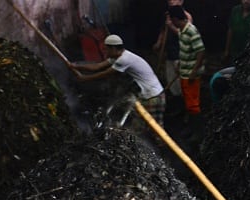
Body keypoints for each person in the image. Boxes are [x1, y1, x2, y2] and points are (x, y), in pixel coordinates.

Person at [70, 34, 166, 127]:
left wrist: (84, 78)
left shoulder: (124, 59)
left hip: (153, 97)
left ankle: (157, 143)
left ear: (113, 49)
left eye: (106, 49)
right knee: (140, 127)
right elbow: (97, 67)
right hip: (149, 95)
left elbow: (105, 74)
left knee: (154, 129)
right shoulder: (117, 56)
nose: (105, 52)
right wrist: (76, 65)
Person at [166, 6, 205, 141]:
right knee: (188, 101)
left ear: (176, 19)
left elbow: (200, 51)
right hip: (184, 71)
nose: (171, 22)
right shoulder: (182, 31)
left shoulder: (191, 31)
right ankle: (190, 127)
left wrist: (194, 72)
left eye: (172, 20)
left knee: (193, 103)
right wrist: (180, 66)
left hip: (191, 74)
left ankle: (198, 132)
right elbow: (186, 52)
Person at [153, 1, 193, 98]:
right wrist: (159, 42)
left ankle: (183, 100)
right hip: (169, 52)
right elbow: (163, 30)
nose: (171, 1)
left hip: (181, 52)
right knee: (170, 77)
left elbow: (186, 34)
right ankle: (175, 98)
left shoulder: (186, 16)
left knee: (180, 78)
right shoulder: (167, 15)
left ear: (181, 1)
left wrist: (171, 26)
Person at [223, 0, 250, 66]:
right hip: (234, 50)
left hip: (247, 53)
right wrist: (226, 50)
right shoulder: (235, 10)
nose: (246, 1)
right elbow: (230, 30)